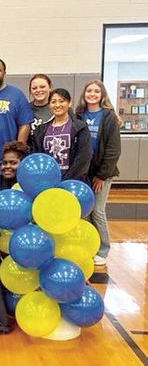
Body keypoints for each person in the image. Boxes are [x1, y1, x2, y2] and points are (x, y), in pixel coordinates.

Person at [75, 80, 121, 266]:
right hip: (83, 172)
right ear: (84, 94)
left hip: (101, 173)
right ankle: (88, 247)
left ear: (102, 95)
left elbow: (113, 149)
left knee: (97, 211)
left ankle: (103, 249)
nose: (92, 94)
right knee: (84, 212)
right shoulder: (78, 115)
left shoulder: (109, 116)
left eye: (96, 91)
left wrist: (102, 175)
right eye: (89, 91)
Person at [31, 88, 91, 181]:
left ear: (69, 103)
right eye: (53, 102)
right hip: (47, 181)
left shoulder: (80, 127)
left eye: (62, 101)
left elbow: (83, 158)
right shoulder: (41, 130)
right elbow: (38, 156)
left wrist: (67, 180)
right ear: (49, 105)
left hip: (72, 181)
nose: (57, 105)